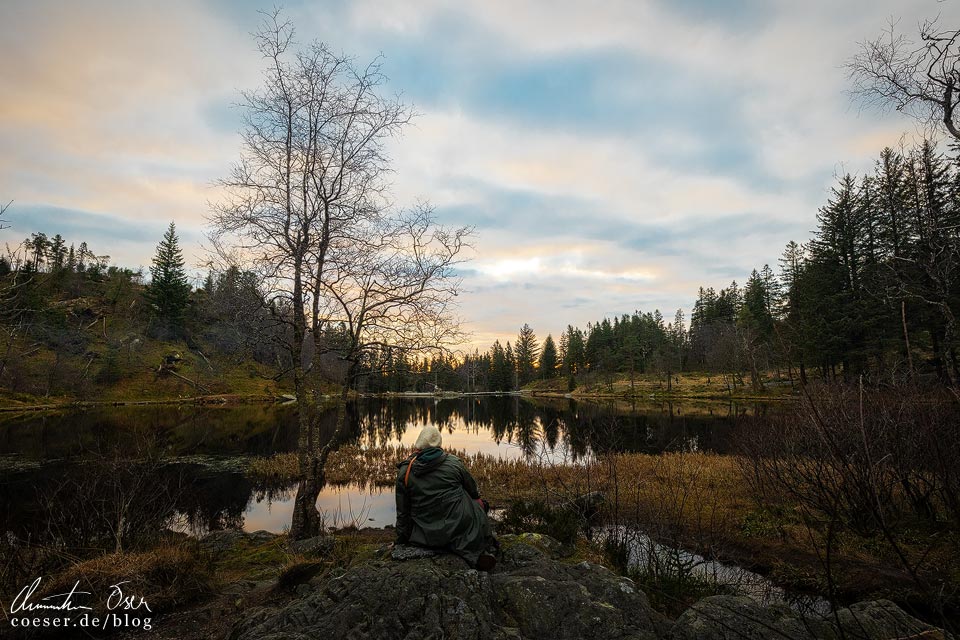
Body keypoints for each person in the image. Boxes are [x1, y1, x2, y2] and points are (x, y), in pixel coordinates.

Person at [395, 425, 497, 570]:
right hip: (457, 528)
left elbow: (402, 513)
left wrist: (401, 540)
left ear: (418, 446)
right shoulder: (454, 463)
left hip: (424, 534)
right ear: (439, 444)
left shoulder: (405, 472)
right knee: (477, 503)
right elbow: (474, 493)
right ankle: (477, 551)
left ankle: (464, 550)